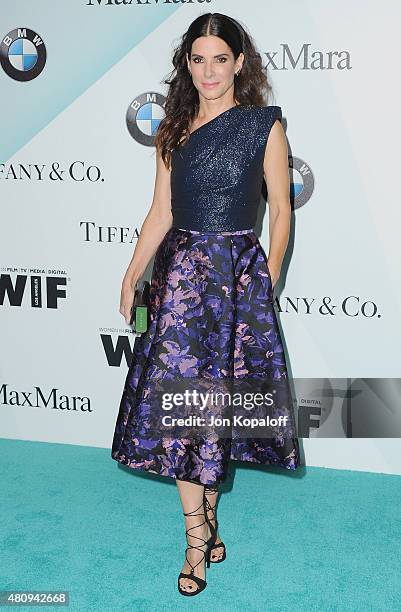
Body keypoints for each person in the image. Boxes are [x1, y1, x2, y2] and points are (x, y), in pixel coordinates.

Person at [111, 12, 301, 597]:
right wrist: (131, 274)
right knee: (181, 410)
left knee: (215, 413)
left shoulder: (263, 126)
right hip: (181, 285)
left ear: (240, 63)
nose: (210, 70)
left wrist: (263, 278)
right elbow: (161, 212)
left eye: (221, 58)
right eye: (199, 59)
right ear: (186, 65)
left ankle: (208, 513)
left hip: (235, 280)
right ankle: (196, 536)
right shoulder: (174, 130)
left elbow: (281, 212)